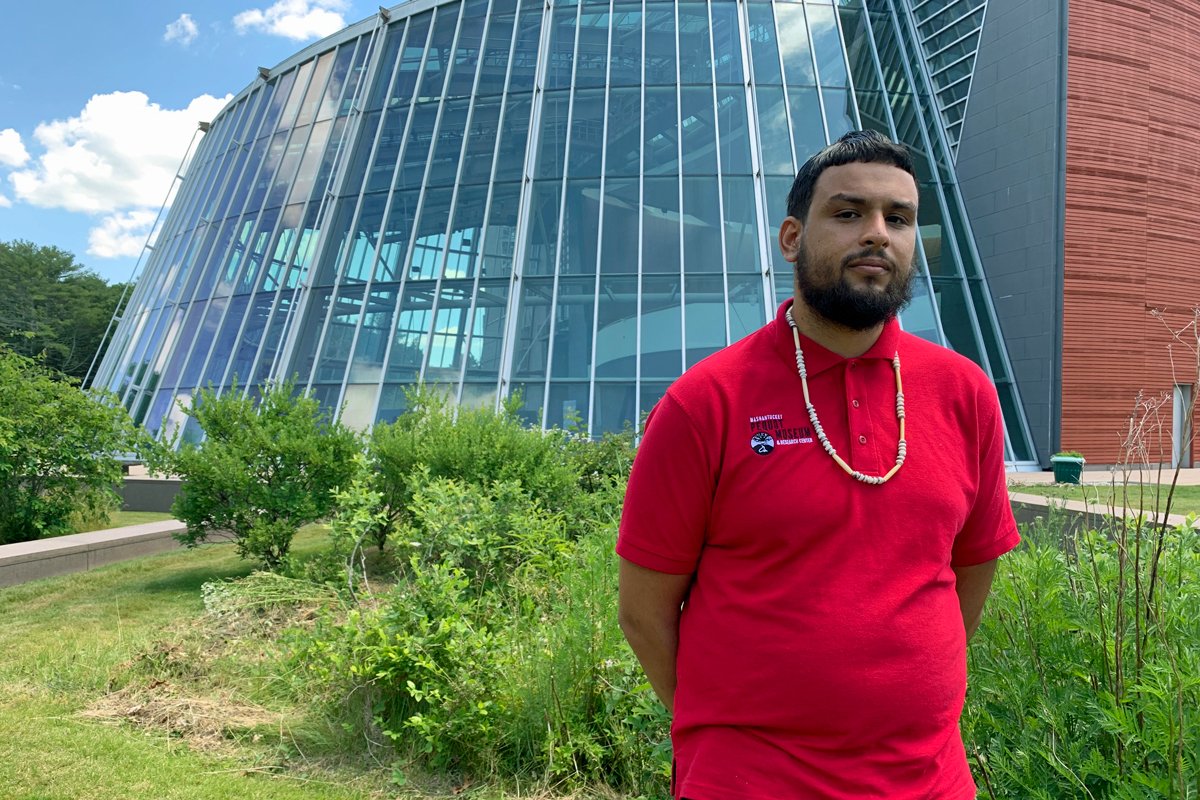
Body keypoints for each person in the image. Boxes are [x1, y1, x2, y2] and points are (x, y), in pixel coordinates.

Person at [616, 130, 1019, 800]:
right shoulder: (706, 402)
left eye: (899, 218)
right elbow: (643, 612)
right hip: (748, 782)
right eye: (848, 212)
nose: (877, 233)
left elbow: (971, 568)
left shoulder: (964, 392)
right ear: (791, 238)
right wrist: (726, 724)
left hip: (928, 779)